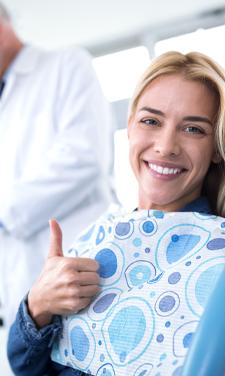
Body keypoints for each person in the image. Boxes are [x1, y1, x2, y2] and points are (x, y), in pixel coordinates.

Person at [7, 50, 225, 376]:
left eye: (193, 129)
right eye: (151, 121)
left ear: (218, 147)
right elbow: (27, 368)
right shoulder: (94, 240)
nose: (166, 146)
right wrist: (37, 306)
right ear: (130, 127)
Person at [0, 2, 116, 328]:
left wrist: (5, 212)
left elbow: (84, 157)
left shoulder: (66, 66)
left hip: (83, 271)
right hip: (24, 294)